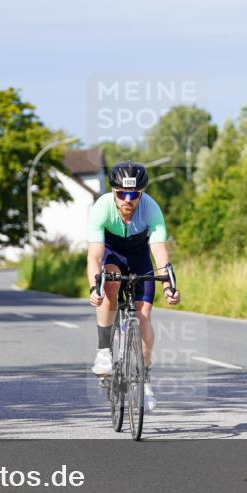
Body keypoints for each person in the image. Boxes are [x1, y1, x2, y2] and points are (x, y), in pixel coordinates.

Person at [86, 161, 181, 407]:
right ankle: (104, 350)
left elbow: (159, 251)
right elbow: (94, 256)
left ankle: (144, 373)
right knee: (109, 285)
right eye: (121, 194)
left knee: (144, 314)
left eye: (134, 194)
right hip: (112, 255)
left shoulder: (151, 209)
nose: (128, 199)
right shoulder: (102, 208)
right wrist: (93, 288)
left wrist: (168, 286)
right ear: (113, 193)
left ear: (142, 194)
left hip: (140, 258)